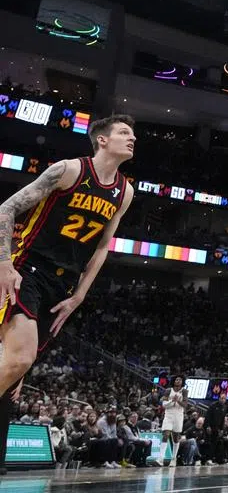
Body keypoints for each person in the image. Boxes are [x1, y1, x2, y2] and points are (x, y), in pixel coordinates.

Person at [0, 114, 136, 474]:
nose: (132, 137)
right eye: (124, 132)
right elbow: (7, 208)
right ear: (102, 140)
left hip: (62, 287)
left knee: (13, 380)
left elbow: (103, 247)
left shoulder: (124, 192)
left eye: (133, 133)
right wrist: (4, 264)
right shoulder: (69, 170)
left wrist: (79, 297)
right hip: (27, 268)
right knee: (18, 360)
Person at [160, 375, 187, 466]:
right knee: (166, 435)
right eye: (176, 379)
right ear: (173, 381)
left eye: (180, 380)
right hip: (169, 415)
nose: (178, 381)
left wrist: (177, 401)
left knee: (176, 438)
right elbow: (164, 404)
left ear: (182, 381)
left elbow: (185, 405)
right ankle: (161, 458)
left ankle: (174, 458)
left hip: (179, 415)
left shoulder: (184, 391)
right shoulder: (168, 390)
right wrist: (172, 401)